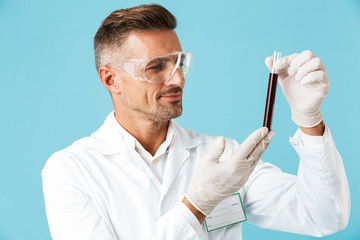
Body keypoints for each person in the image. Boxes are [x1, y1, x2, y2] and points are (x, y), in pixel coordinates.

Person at [42, 4, 350, 240]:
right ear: (110, 79)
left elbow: (325, 216)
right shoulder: (71, 170)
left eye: (179, 62)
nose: (177, 78)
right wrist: (197, 203)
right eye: (155, 66)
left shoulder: (223, 158)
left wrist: (309, 120)